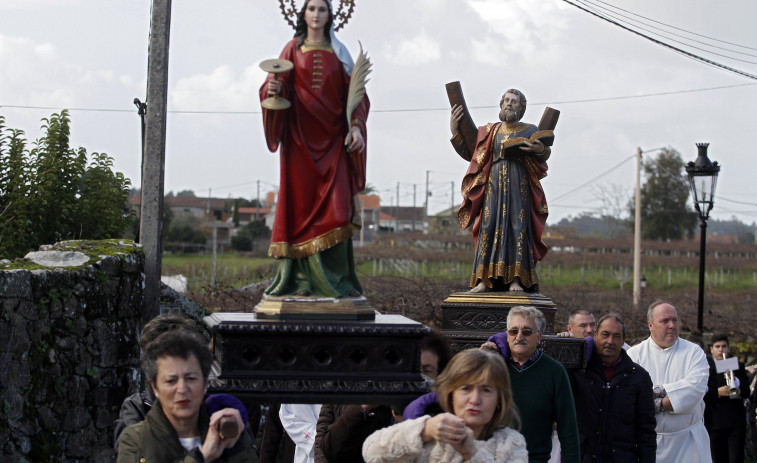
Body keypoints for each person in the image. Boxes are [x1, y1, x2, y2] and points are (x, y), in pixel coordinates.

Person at [260, 0, 369, 298]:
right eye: (311, 9)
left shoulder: (340, 52)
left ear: (330, 15)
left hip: (335, 141)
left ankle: (335, 282)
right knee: (299, 205)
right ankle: (299, 282)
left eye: (322, 9)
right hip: (298, 142)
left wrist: (356, 127)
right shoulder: (291, 50)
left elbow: (358, 96)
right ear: (303, 14)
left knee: (338, 208)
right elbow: (275, 85)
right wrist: (272, 90)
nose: (317, 15)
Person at [450, 89, 553, 293]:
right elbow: (472, 154)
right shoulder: (491, 131)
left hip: (518, 184)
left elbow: (544, 152)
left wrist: (539, 150)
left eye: (514, 102)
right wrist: (455, 131)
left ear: (521, 108)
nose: (509, 104)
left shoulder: (529, 129)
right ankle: (483, 280)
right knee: (488, 227)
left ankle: (517, 280)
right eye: (506, 100)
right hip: (493, 185)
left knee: (517, 227)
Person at [362, 349, 528, 463]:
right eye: (466, 389)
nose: (475, 400)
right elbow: (371, 452)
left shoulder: (510, 442)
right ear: (450, 394)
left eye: (486, 390)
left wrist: (473, 453)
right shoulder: (430, 432)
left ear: (500, 398)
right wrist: (423, 431)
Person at [117, 330, 256, 462]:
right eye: (171, 381)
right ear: (155, 387)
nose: (182, 389)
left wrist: (233, 448)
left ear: (205, 382)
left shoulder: (227, 430)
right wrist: (203, 457)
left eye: (191, 378)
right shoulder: (135, 439)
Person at [484, 306, 580, 463]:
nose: (519, 336)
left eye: (527, 332)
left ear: (539, 337)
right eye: (513, 331)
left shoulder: (555, 371)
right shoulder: (494, 367)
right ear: (506, 336)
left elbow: (568, 429)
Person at [627, 300, 712, 463]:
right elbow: (630, 396)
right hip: (647, 443)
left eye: (675, 320)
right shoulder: (634, 355)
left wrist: (656, 400)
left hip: (688, 442)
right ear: (650, 325)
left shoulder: (694, 352)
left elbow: (695, 391)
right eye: (665, 321)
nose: (672, 325)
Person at [570, 313, 657, 462]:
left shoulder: (639, 377)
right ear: (595, 335)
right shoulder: (578, 372)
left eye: (617, 336)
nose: (610, 341)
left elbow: (646, 430)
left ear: (624, 340)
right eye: (605, 334)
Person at [704, 333, 750, 463]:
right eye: (717, 346)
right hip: (715, 422)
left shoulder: (737, 366)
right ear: (711, 349)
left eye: (724, 346)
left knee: (736, 458)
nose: (721, 350)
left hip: (735, 421)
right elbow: (702, 392)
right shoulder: (707, 367)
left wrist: (734, 380)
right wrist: (717, 392)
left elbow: (746, 392)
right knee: (718, 458)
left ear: (728, 349)